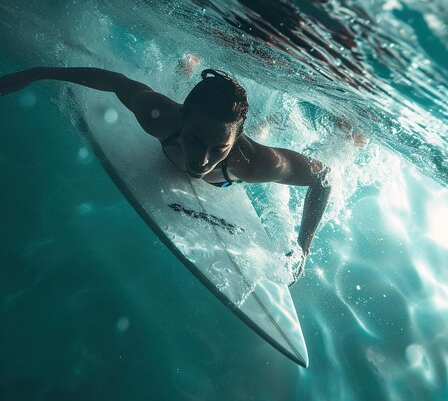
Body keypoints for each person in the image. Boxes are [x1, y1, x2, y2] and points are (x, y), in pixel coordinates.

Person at [0, 65, 331, 283]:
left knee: (254, 135)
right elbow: (116, 83)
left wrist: (302, 249)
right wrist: (36, 74)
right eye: (196, 141)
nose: (202, 161)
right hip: (187, 115)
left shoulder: (255, 163)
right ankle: (186, 66)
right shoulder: (158, 116)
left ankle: (262, 124)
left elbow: (323, 177)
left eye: (219, 149)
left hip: (245, 152)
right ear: (181, 121)